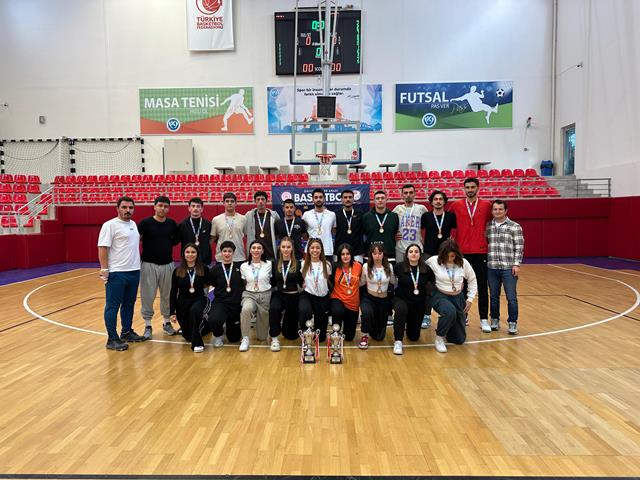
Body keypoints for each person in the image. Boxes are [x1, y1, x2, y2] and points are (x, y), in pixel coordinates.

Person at [98, 196, 146, 350]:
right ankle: (112, 338)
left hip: (134, 271)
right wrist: (104, 269)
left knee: (129, 304)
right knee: (112, 306)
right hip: (117, 273)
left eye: (130, 208)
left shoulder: (133, 224)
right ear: (117, 208)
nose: (128, 210)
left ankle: (126, 332)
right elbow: (102, 247)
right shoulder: (110, 225)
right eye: (124, 207)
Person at [449, 177, 492, 332]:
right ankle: (463, 316)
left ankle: (483, 319)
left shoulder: (487, 205)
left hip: (480, 251)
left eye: (473, 187)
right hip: (462, 252)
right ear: (464, 189)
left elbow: (492, 222)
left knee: (482, 286)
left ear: (478, 188)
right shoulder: (456, 205)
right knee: (462, 285)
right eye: (467, 187)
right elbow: (448, 223)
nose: (470, 190)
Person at [137, 195, 178, 339]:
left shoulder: (172, 224)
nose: (162, 208)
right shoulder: (145, 223)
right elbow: (136, 240)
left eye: (166, 206)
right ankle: (148, 325)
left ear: (169, 208)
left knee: (167, 295)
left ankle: (167, 323)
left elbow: (174, 241)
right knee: (148, 295)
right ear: (154, 207)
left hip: (168, 265)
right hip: (149, 264)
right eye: (160, 205)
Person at [426, 239, 477, 353]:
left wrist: (470, 299)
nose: (449, 259)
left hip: (458, 297)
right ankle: (439, 338)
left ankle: (447, 327)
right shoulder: (433, 261)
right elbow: (421, 269)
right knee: (449, 311)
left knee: (459, 339)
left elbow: (472, 280)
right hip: (440, 295)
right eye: (447, 256)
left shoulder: (463, 263)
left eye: (452, 256)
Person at [420, 189, 457, 329]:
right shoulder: (426, 216)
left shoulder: (450, 216)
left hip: (445, 255)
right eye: (435, 199)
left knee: (447, 283)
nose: (438, 201)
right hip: (429, 254)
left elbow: (456, 231)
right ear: (431, 202)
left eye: (441, 199)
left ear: (444, 201)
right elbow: (420, 231)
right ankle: (426, 315)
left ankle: (449, 314)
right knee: (428, 285)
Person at [486, 199, 524, 335]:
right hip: (492, 267)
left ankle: (512, 322)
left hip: (508, 267)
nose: (497, 211)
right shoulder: (488, 226)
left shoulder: (514, 226)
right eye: (495, 209)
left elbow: (519, 247)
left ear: (506, 210)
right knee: (493, 296)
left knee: (511, 297)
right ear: (492, 211)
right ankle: (494, 319)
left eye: (500, 209)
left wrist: (516, 264)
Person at [200, 241, 244, 349]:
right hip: (221, 302)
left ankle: (228, 325)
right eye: (224, 251)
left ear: (233, 253)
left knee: (234, 339)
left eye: (229, 251)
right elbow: (210, 283)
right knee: (214, 319)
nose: (227, 254)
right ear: (221, 253)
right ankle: (218, 335)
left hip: (235, 304)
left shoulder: (240, 268)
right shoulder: (215, 269)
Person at [392, 244, 434, 355]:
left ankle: (409, 323)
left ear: (420, 254)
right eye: (411, 252)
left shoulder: (426, 269)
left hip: (418, 303)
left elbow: (434, 282)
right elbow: (389, 278)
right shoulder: (399, 267)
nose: (414, 254)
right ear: (406, 255)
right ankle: (398, 341)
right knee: (401, 309)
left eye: (416, 251)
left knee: (414, 337)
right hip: (401, 299)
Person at [169, 244, 210, 351]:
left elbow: (211, 283)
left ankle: (197, 344)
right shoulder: (177, 271)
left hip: (199, 299)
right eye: (187, 252)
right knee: (187, 336)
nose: (190, 254)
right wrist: (172, 312)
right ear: (183, 254)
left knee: (194, 311)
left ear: (197, 254)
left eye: (193, 252)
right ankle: (207, 326)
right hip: (182, 303)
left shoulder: (204, 269)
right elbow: (173, 292)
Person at [358, 243, 396, 348]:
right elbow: (362, 282)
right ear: (371, 254)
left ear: (383, 254)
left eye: (379, 253)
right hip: (369, 298)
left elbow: (393, 281)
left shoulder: (389, 266)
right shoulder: (366, 266)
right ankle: (364, 335)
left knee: (379, 337)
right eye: (374, 253)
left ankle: (373, 329)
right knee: (367, 313)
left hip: (383, 300)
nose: (377, 256)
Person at [268, 237, 303, 351]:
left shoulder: (298, 264)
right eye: (283, 247)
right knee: (274, 308)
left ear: (292, 248)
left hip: (293, 296)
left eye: (288, 247)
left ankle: (288, 328)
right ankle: (274, 338)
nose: (286, 249)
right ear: (280, 248)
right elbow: (272, 282)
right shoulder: (274, 263)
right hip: (280, 294)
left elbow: (301, 282)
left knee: (291, 335)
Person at [239, 240, 273, 351]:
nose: (256, 250)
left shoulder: (269, 264)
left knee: (262, 337)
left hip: (265, 295)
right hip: (250, 295)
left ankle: (262, 332)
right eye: (253, 248)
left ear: (263, 251)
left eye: (259, 248)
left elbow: (271, 280)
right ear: (250, 250)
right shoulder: (244, 266)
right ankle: (245, 338)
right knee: (246, 309)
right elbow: (244, 282)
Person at [299, 238, 333, 343]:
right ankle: (305, 334)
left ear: (321, 250)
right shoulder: (303, 264)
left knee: (320, 337)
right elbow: (301, 280)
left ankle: (318, 332)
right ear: (308, 250)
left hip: (322, 297)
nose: (315, 250)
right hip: (308, 295)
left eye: (318, 248)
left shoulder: (327, 265)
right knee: (304, 309)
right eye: (312, 247)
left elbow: (328, 281)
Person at [330, 243, 362, 342]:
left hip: (353, 304)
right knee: (337, 311)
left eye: (347, 254)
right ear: (339, 256)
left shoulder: (358, 266)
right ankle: (335, 334)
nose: (345, 256)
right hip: (338, 298)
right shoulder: (334, 266)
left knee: (349, 337)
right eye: (342, 254)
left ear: (351, 255)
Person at [362, 191, 399, 263]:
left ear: (386, 200)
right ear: (374, 200)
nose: (380, 200)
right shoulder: (366, 217)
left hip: (389, 255)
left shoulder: (394, 216)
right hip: (370, 255)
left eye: (382, 198)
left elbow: (396, 233)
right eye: (377, 198)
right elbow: (363, 234)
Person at [393, 184, 428, 262]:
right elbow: (390, 225)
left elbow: (430, 223)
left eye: (411, 192)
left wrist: (425, 238)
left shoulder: (421, 208)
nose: (408, 195)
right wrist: (394, 234)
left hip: (417, 247)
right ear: (402, 195)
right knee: (400, 269)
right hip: (401, 247)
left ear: (414, 194)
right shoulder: (397, 209)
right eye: (405, 193)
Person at [244, 191, 280, 261]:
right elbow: (245, 233)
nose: (260, 201)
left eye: (262, 199)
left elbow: (278, 233)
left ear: (266, 201)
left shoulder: (274, 215)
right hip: (255, 255)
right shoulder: (249, 215)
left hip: (270, 254)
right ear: (255, 201)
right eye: (258, 199)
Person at [176, 197, 213, 266]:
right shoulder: (182, 225)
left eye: (198, 206)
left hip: (204, 262)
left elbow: (212, 239)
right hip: (188, 261)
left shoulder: (208, 224)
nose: (195, 208)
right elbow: (175, 241)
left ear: (202, 209)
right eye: (193, 206)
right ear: (189, 208)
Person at [211, 192, 246, 262]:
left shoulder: (243, 219)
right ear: (223, 203)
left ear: (236, 203)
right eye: (227, 201)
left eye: (232, 201)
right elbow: (213, 238)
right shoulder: (216, 219)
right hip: (221, 257)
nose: (230, 203)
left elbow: (246, 236)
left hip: (239, 256)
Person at [302, 188, 337, 257]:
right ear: (312, 199)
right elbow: (303, 233)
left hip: (327, 250)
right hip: (311, 250)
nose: (318, 199)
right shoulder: (306, 215)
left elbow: (334, 230)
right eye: (316, 197)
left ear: (324, 199)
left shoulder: (332, 215)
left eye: (320, 197)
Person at [333, 189, 365, 263]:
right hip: (339, 252)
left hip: (357, 252)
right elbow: (333, 230)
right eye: (345, 197)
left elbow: (363, 230)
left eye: (350, 197)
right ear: (341, 199)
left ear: (353, 199)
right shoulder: (335, 214)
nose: (348, 199)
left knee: (357, 270)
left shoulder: (360, 214)